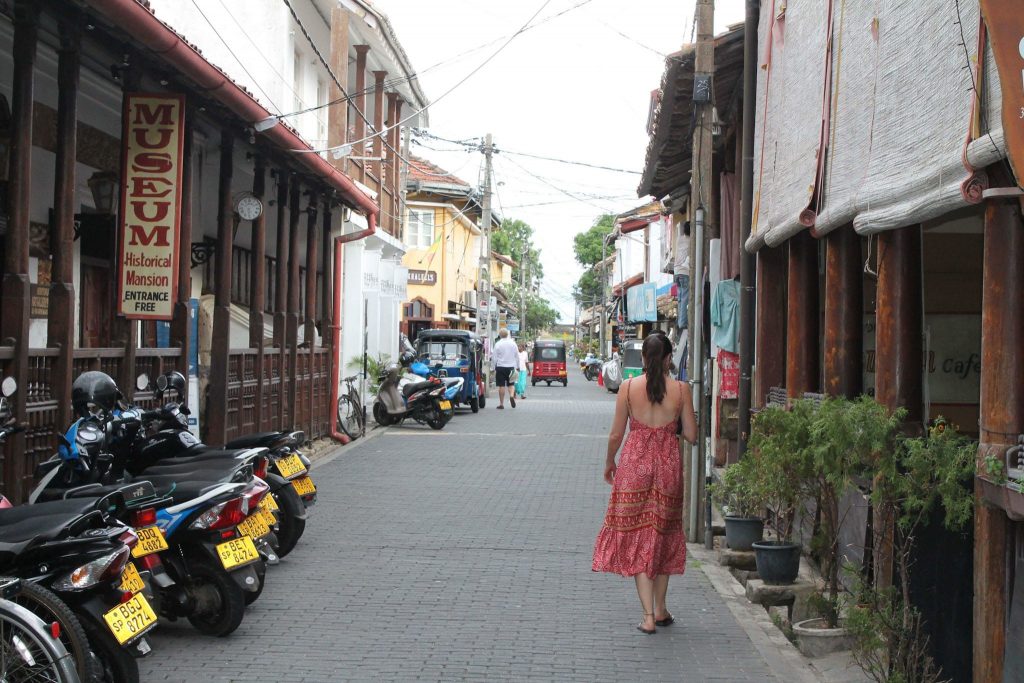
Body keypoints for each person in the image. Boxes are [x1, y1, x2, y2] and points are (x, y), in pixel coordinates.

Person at [592, 333, 698, 635]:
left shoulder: (627, 388)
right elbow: (691, 435)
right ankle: (661, 609)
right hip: (668, 471)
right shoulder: (681, 389)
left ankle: (650, 615)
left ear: (643, 359)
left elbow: (615, 435)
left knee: (639, 535)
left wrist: (609, 462)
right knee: (663, 535)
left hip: (634, 468)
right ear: (667, 359)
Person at [491, 328, 521, 409]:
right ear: (507, 334)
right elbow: (517, 356)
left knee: (501, 386)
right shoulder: (513, 343)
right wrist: (518, 367)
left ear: (500, 335)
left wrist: (492, 367)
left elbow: (494, 357)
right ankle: (511, 396)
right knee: (511, 384)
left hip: (500, 367)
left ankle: (501, 404)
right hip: (511, 367)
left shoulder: (498, 344)